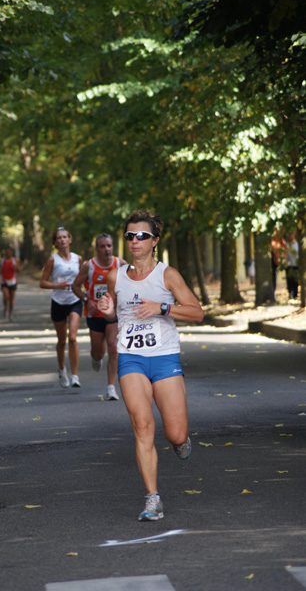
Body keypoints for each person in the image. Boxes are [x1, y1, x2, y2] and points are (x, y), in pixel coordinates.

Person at [98, 209, 204, 522]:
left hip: (164, 357)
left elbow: (197, 312)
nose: (135, 241)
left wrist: (162, 307)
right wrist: (105, 311)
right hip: (130, 357)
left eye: (142, 235)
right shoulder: (115, 275)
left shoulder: (167, 275)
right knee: (143, 426)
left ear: (155, 240)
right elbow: (113, 315)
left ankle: (181, 441)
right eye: (130, 235)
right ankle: (152, 498)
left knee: (175, 434)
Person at [72, 233, 126, 400]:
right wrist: (87, 300)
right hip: (95, 314)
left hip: (114, 314)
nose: (106, 249)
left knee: (114, 347)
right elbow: (75, 286)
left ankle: (111, 388)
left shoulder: (121, 264)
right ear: (97, 249)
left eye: (109, 246)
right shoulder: (89, 266)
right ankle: (96, 358)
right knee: (98, 353)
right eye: (102, 246)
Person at [40, 227, 83, 388]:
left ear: (70, 240)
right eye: (59, 238)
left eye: (65, 237)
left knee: (72, 337)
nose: (63, 240)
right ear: (55, 242)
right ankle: (62, 369)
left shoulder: (78, 259)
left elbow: (82, 278)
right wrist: (57, 285)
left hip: (74, 300)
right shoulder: (53, 260)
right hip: (58, 302)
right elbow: (42, 282)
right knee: (62, 340)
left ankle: (75, 375)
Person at [0, 246, 20, 321]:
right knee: (6, 297)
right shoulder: (2, 260)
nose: (8, 253)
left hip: (12, 282)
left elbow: (19, 270)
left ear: (11, 252)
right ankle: (5, 307)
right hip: (4, 282)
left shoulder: (14, 260)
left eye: (9, 251)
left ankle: (10, 313)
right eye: (6, 251)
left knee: (11, 299)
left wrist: (16, 266)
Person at [285, 231, 299, 300]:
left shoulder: (298, 244)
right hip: (289, 264)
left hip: (296, 264)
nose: (290, 235)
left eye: (292, 234)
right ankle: (290, 293)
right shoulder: (286, 244)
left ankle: (295, 294)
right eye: (289, 234)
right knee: (289, 280)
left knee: (295, 280)